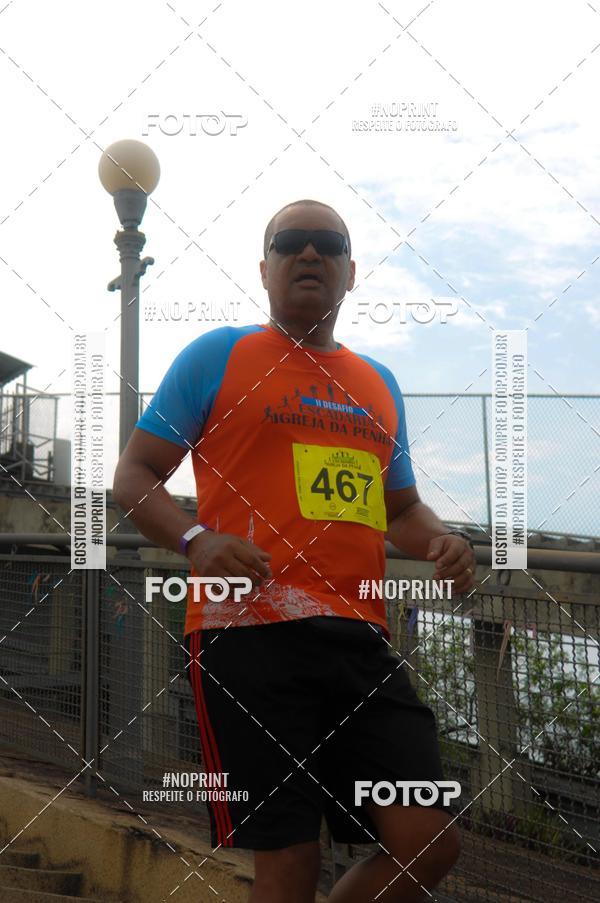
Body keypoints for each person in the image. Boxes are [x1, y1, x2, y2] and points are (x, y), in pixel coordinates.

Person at [113, 199, 476, 902]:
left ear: (351, 271)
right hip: (247, 637)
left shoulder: (378, 383)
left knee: (429, 840)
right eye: (292, 242)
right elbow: (133, 476)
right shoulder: (219, 355)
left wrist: (441, 540)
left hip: (360, 642)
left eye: (328, 243)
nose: (310, 253)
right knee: (289, 861)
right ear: (264, 268)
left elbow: (400, 510)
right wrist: (195, 539)